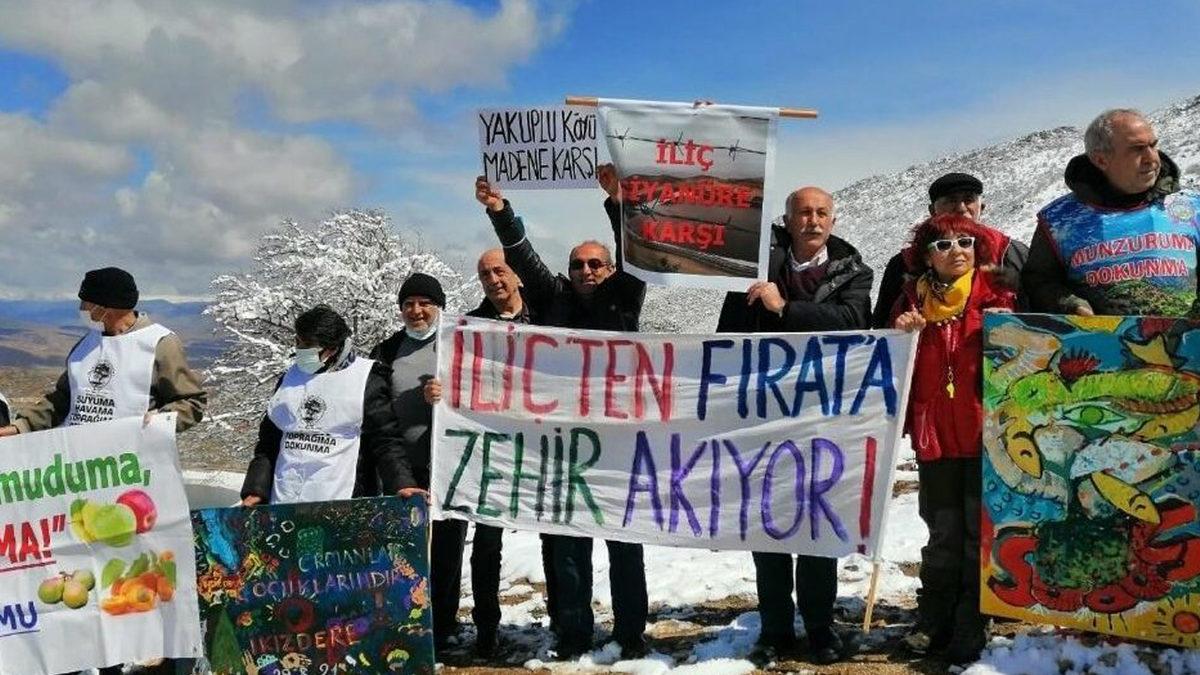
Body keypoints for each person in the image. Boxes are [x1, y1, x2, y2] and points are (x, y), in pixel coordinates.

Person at [475, 175, 649, 659]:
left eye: (596, 263)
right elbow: (524, 257)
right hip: (564, 444)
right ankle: (574, 636)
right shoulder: (554, 300)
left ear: (611, 269)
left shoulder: (625, 296)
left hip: (616, 442)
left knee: (624, 546)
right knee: (569, 549)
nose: (587, 270)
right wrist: (500, 211)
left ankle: (631, 635)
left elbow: (635, 250)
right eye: (578, 264)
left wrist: (617, 203)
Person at [717, 186, 872, 665]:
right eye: (803, 212)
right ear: (786, 219)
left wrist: (784, 308)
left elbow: (854, 319)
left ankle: (821, 628)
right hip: (764, 419)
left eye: (821, 212)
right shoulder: (754, 268)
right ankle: (775, 629)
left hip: (825, 421)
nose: (812, 219)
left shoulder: (855, 270)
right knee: (768, 526)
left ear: (833, 218)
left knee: (818, 525)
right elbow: (729, 336)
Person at [890, 214, 1016, 664]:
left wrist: (1011, 329)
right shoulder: (911, 303)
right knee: (942, 530)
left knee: (975, 533)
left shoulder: (1000, 299)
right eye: (943, 245)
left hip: (986, 434)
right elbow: (891, 366)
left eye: (965, 241)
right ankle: (933, 617)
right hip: (936, 435)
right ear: (927, 256)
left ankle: (971, 619)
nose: (956, 250)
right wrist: (901, 335)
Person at [423, 249, 542, 658]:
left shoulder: (547, 320)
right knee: (486, 544)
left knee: (557, 535)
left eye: (500, 270)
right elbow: (449, 375)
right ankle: (486, 627)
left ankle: (565, 622)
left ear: (518, 277)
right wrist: (436, 391)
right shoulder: (466, 329)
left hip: (538, 446)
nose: (493, 279)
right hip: (487, 450)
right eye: (484, 274)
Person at [368, 273, 467, 653]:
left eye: (425, 303)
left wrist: (450, 394)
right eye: (409, 304)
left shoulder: (456, 346)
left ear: (438, 307)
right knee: (402, 549)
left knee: (446, 548)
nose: (416, 311)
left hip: (448, 465)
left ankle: (441, 625)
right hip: (401, 469)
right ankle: (404, 619)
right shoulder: (388, 349)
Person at [1023, 108, 1200, 317]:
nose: (1152, 158)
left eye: (1153, 145)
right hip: (1103, 344)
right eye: (1137, 149)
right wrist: (1069, 304)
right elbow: (1038, 281)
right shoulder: (1058, 220)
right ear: (1101, 160)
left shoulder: (1193, 206)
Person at [240, 303, 420, 506]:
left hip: (342, 499)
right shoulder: (290, 378)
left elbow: (385, 440)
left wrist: (401, 482)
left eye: (308, 346)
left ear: (333, 349)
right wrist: (256, 488)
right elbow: (269, 441)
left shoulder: (365, 379)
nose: (300, 350)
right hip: (285, 498)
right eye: (298, 341)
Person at [0, 267, 206, 437]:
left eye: (86, 303)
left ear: (106, 308)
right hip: (81, 464)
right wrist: (21, 427)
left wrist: (163, 419)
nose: (82, 308)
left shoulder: (159, 343)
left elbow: (192, 402)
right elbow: (63, 398)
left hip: (130, 464)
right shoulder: (86, 344)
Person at [871, 172, 1027, 328]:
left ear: (982, 207)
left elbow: (1037, 316)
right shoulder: (904, 264)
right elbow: (883, 326)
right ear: (932, 210)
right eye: (951, 200)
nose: (961, 208)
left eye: (969, 199)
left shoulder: (1009, 253)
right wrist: (902, 328)